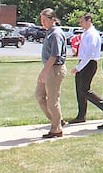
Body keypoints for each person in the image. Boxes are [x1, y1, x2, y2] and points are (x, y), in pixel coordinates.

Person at [35, 8, 67, 138]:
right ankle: (57, 120)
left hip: (54, 69)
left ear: (53, 19)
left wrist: (44, 71)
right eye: (41, 20)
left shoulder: (56, 34)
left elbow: (54, 55)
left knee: (52, 100)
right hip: (48, 68)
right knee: (39, 95)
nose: (42, 23)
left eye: (44, 20)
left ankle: (56, 130)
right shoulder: (49, 32)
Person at [68, 13, 103, 124]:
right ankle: (81, 115)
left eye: (82, 21)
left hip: (89, 63)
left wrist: (78, 67)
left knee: (84, 89)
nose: (81, 24)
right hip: (83, 62)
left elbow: (89, 53)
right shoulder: (86, 33)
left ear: (89, 21)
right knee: (80, 90)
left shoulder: (92, 34)